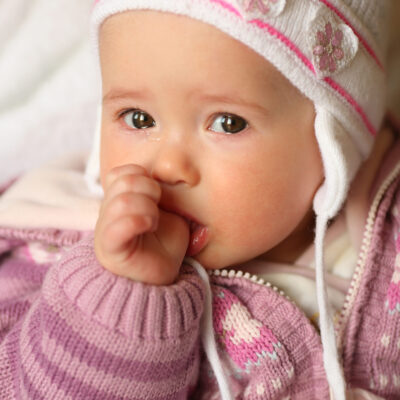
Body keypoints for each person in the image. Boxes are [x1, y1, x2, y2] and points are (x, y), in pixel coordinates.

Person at [0, 0, 399, 399]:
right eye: (138, 118)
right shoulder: (48, 240)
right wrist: (122, 294)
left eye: (228, 123)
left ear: (336, 144)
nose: (169, 166)